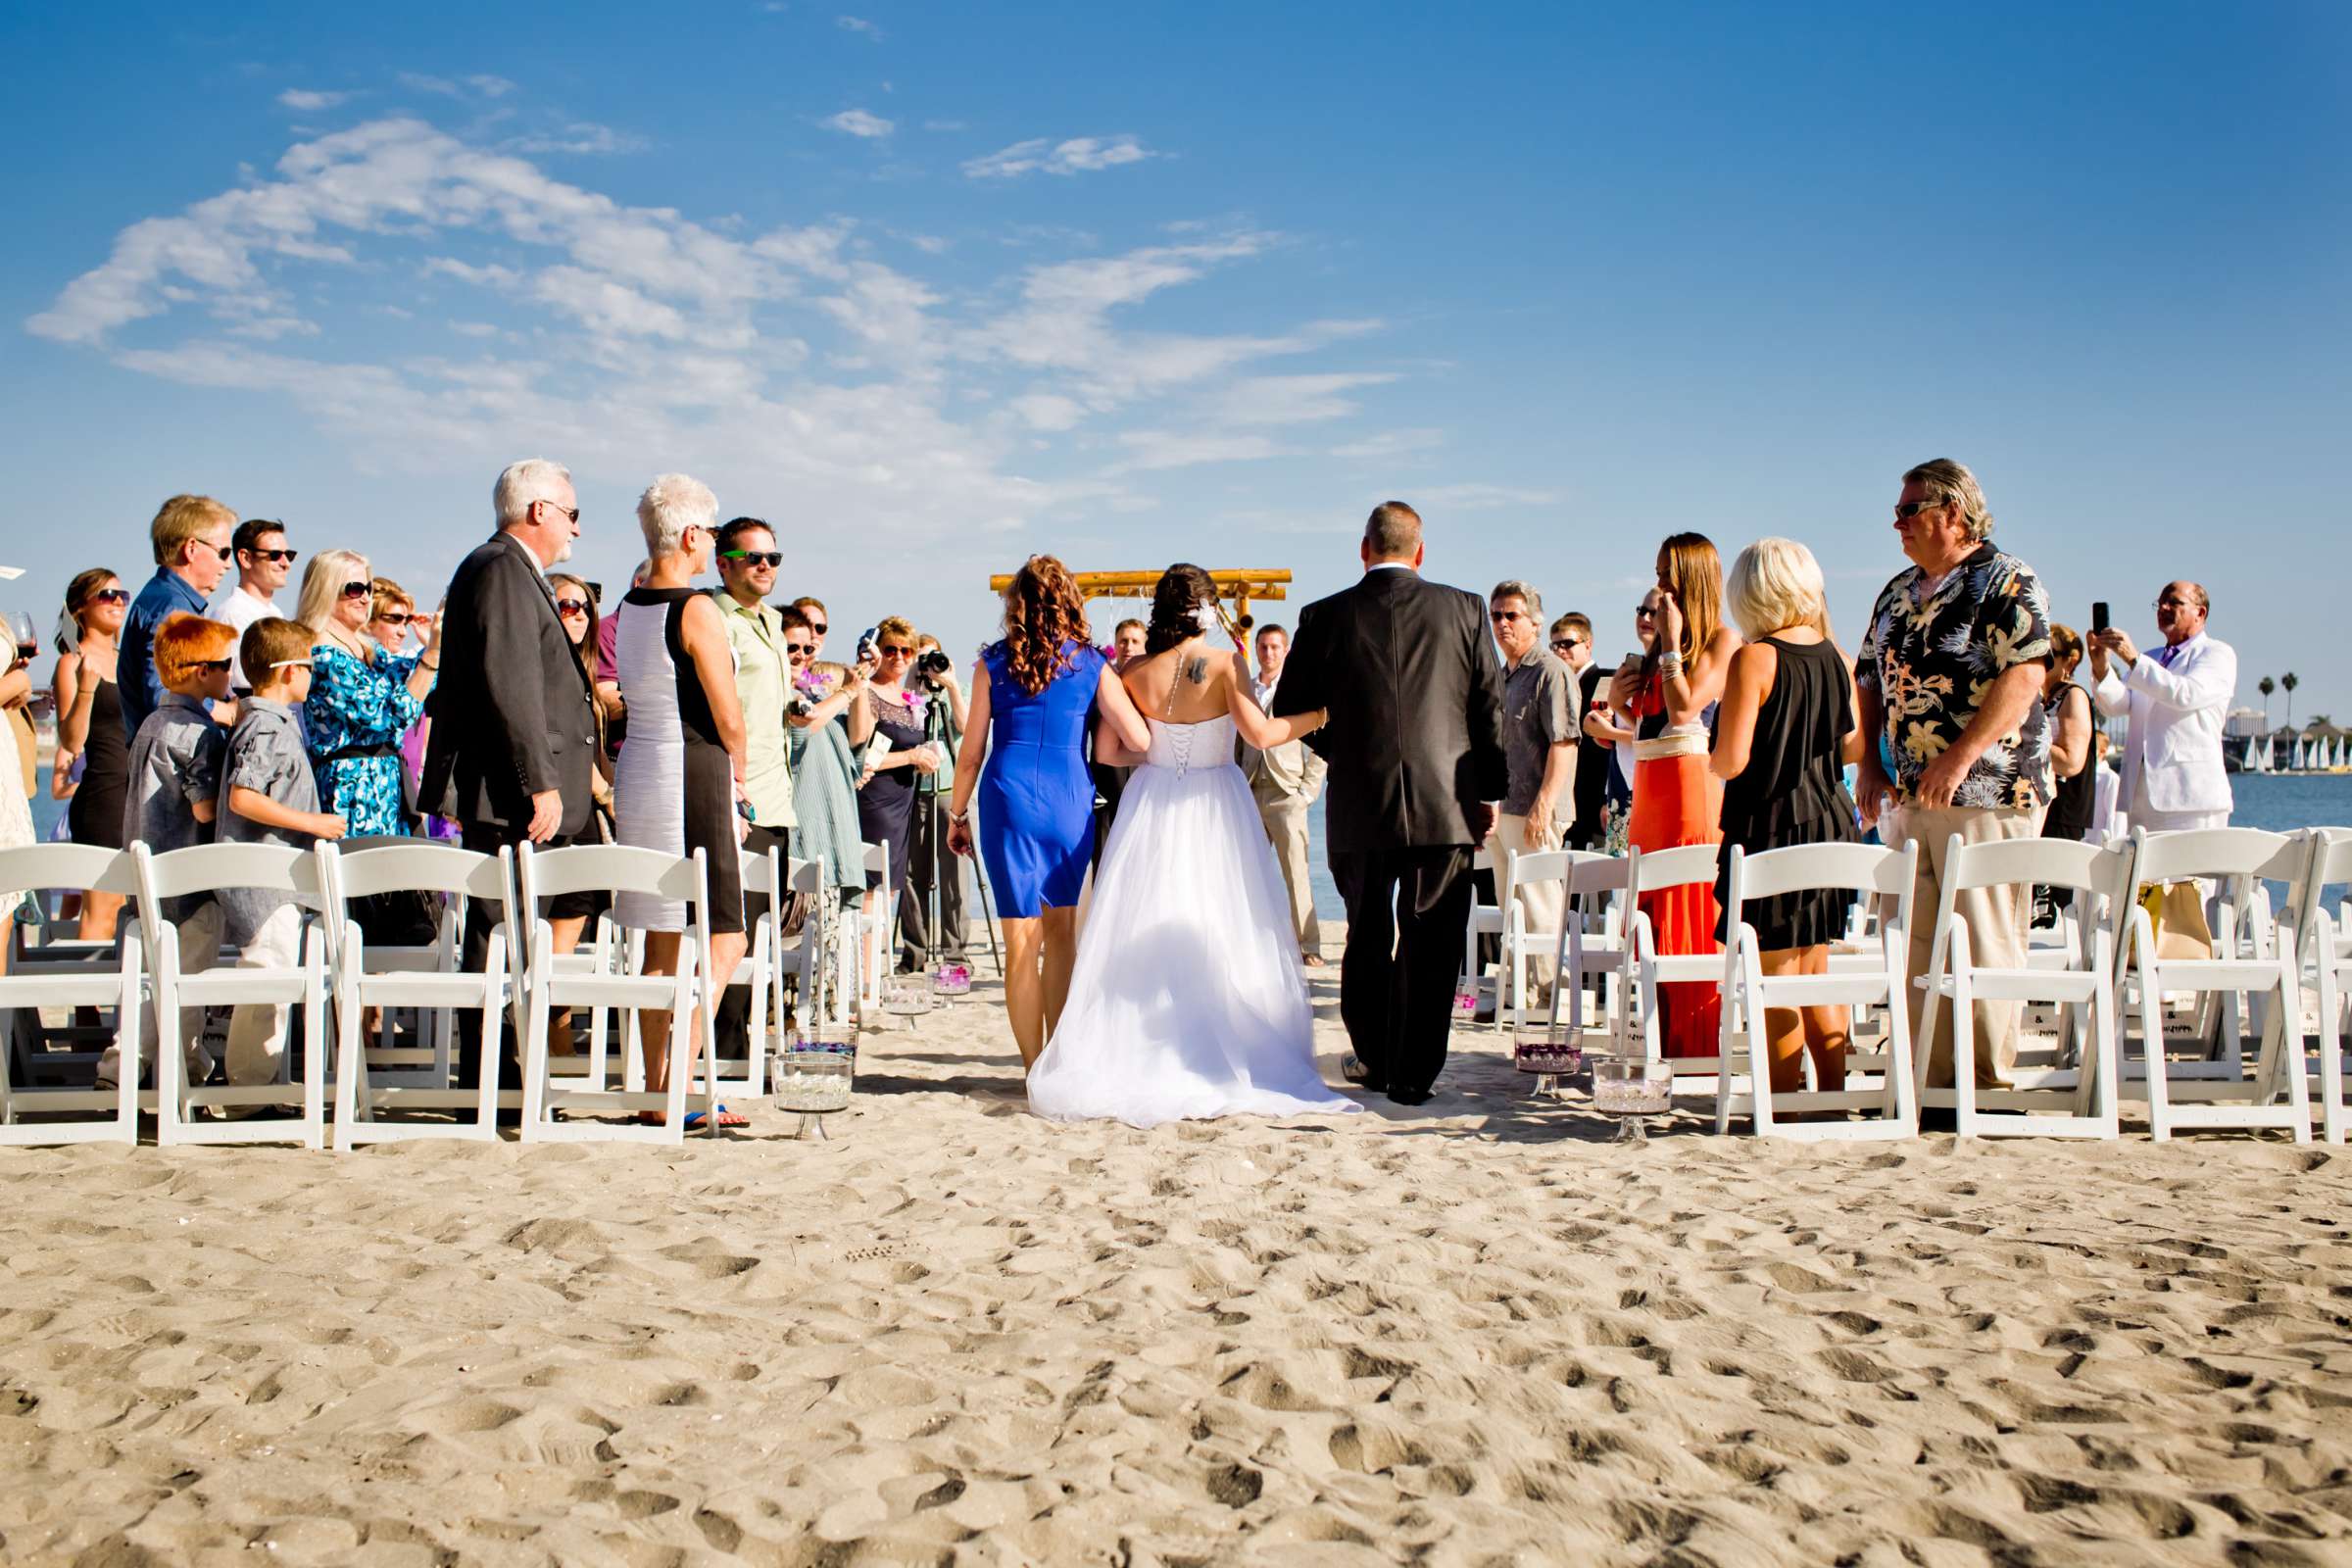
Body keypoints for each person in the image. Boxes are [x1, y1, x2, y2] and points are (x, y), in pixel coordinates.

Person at [1025, 564, 1356, 1126]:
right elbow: (1261, 734)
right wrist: (1320, 715)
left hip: (1150, 803)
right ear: (1207, 610)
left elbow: (1108, 751)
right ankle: (1211, 1038)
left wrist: (1158, 755)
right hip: (1216, 802)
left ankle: (1142, 1043)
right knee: (1222, 918)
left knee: (1145, 916)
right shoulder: (1227, 662)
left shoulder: (1133, 669)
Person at [1272, 502, 1507, 1106]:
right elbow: (1489, 707)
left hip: (1360, 802)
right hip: (1445, 800)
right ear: (1420, 552)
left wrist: (1344, 744)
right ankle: (1414, 1074)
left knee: (1367, 935)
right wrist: (1490, 791)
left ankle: (1376, 1059)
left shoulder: (1324, 615)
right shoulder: (1464, 608)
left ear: (1364, 549)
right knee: (1432, 941)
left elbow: (1289, 709)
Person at [1854, 458, 2053, 1094]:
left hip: (1989, 790)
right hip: (1909, 795)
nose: (1897, 521)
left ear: (1953, 514)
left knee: (1985, 939)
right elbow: (1867, 680)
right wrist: (1865, 765)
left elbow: (2025, 674)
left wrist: (1959, 755)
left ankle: (1986, 1090)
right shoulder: (1893, 592)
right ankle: (1930, 1087)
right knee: (1913, 942)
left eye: (1909, 510)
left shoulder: (2006, 580)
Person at [418, 458, 601, 1102]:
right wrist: (537, 781)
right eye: (572, 513)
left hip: (516, 790)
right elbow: (512, 683)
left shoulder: (511, 570)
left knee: (510, 937)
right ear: (539, 511)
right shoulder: (501, 569)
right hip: (508, 795)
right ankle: (492, 1081)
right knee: (500, 940)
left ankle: (501, 1077)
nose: (577, 529)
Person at [944, 556, 1151, 1067]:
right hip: (1069, 799)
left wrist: (957, 813)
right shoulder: (1093, 664)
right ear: (1070, 603)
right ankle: (1060, 1060)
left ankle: (1033, 1067)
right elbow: (1139, 737)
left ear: (1017, 603)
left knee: (1020, 940)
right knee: (1062, 933)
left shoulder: (992, 663)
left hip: (1007, 797)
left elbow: (970, 753)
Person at [611, 473, 750, 1130]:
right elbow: (728, 715)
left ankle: (652, 1086)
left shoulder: (630, 605)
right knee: (726, 933)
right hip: (691, 767)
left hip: (639, 765)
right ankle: (682, 1084)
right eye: (714, 534)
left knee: (660, 935)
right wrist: (741, 782)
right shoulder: (697, 610)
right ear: (693, 535)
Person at [1710, 539, 1862, 1098]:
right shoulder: (1840, 658)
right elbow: (1853, 749)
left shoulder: (1755, 658)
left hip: (1770, 824)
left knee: (1774, 979)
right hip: (1830, 822)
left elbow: (1731, 760)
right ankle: (1830, 1098)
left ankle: (1782, 1104)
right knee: (1816, 972)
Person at [1609, 534, 1739, 1057]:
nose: (1660, 584)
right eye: (1658, 572)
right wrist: (1622, 702)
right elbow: (1646, 723)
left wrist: (1668, 646)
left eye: (1667, 573)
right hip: (1650, 791)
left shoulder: (1722, 642)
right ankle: (1654, 1039)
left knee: (1688, 906)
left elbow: (1686, 710)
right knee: (1649, 913)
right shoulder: (1659, 646)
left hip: (1691, 788)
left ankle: (1694, 1044)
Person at [94, 612, 235, 1092]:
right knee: (186, 987)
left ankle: (122, 1069)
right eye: (225, 664)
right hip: (188, 880)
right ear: (202, 672)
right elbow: (202, 810)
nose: (230, 673)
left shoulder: (152, 723)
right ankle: (184, 1071)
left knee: (150, 984)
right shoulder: (199, 734)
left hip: (147, 880)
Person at [217, 617, 348, 1090]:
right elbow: (242, 797)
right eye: (310, 667)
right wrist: (314, 823)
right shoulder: (268, 727)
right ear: (289, 671)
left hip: (270, 877)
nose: (314, 676)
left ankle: (255, 1082)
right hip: (265, 880)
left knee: (271, 977)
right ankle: (247, 1090)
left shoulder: (264, 722)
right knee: (267, 980)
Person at [710, 517, 796, 1060]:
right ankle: (722, 1053)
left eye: (773, 557)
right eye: (752, 557)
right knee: (731, 931)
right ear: (724, 563)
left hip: (777, 795)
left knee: (761, 930)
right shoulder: (715, 619)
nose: (765, 566)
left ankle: (738, 1047)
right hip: (739, 796)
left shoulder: (770, 622)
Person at [299, 551, 438, 838]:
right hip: (353, 790)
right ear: (326, 589)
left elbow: (423, 683)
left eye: (369, 588)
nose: (365, 598)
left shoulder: (367, 650)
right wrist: (432, 656)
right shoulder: (323, 656)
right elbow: (387, 716)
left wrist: (435, 644)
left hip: (386, 785)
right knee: (362, 879)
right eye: (354, 589)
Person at [1491, 580, 1580, 1005]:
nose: (1502, 624)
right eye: (1496, 615)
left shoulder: (1551, 671)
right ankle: (1519, 999)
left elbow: (1563, 742)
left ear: (1535, 622)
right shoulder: (1503, 674)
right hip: (1505, 807)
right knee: (1512, 908)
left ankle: (1550, 1000)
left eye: (1511, 615)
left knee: (1542, 908)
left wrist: (1544, 804)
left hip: (1537, 810)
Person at [2089, 581, 2235, 834]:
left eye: (2175, 602)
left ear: (2200, 613)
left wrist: (2134, 659)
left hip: (2191, 796)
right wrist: (2102, 668)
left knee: (2192, 874)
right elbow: (2118, 705)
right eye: (2160, 603)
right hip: (2141, 793)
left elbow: (2185, 694)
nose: (2164, 608)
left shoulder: (2216, 654)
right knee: (2146, 873)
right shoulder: (2152, 657)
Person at [1239, 620, 1328, 966]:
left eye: (1275, 647)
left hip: (1286, 791)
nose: (1269, 653)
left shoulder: (1300, 688)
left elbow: (1320, 742)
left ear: (1286, 650)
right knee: (1248, 871)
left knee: (1296, 873)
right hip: (1247, 788)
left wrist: (1308, 790)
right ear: (1257, 649)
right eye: (1263, 646)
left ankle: (1308, 945)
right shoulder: (1244, 688)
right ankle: (1252, 939)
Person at [52, 569, 133, 940]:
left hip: (140, 791)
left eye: (122, 594)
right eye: (106, 594)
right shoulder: (72, 662)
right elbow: (71, 741)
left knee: (130, 908)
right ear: (80, 608)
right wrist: (86, 689)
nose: (118, 601)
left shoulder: (130, 659)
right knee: (102, 908)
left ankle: (122, 997)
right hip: (104, 793)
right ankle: (86, 1000)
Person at [851, 616, 938, 943]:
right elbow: (859, 751)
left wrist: (923, 761)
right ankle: (865, 982)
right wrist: (911, 757)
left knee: (890, 890)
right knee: (872, 893)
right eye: (890, 650)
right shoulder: (869, 693)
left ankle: (872, 981)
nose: (899, 657)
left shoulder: (910, 699)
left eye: (906, 651)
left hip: (903, 804)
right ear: (878, 651)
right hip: (874, 803)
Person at [120, 495, 236, 739]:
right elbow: (163, 695)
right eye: (224, 552)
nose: (228, 565)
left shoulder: (162, 597)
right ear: (192, 548)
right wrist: (224, 711)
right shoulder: (173, 609)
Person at [900, 632, 968, 972]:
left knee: (954, 874)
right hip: (913, 791)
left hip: (948, 792)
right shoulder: (908, 695)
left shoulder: (955, 690)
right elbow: (903, 724)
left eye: (934, 658)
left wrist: (952, 685)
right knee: (913, 876)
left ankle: (955, 953)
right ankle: (914, 952)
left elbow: (966, 727)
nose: (929, 667)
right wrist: (913, 682)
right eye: (922, 660)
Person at [206, 517, 296, 695]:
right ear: (245, 558)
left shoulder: (276, 613)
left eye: (289, 555)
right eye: (275, 555)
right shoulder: (230, 615)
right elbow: (240, 689)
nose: (286, 563)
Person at [1552, 612, 1609, 852]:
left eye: (1567, 643)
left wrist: (1607, 798)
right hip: (1565, 800)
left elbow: (1609, 741)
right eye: (1555, 645)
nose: (1560, 651)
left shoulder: (1606, 679)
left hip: (1595, 797)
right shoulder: (1556, 686)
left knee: (1599, 879)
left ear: (1588, 644)